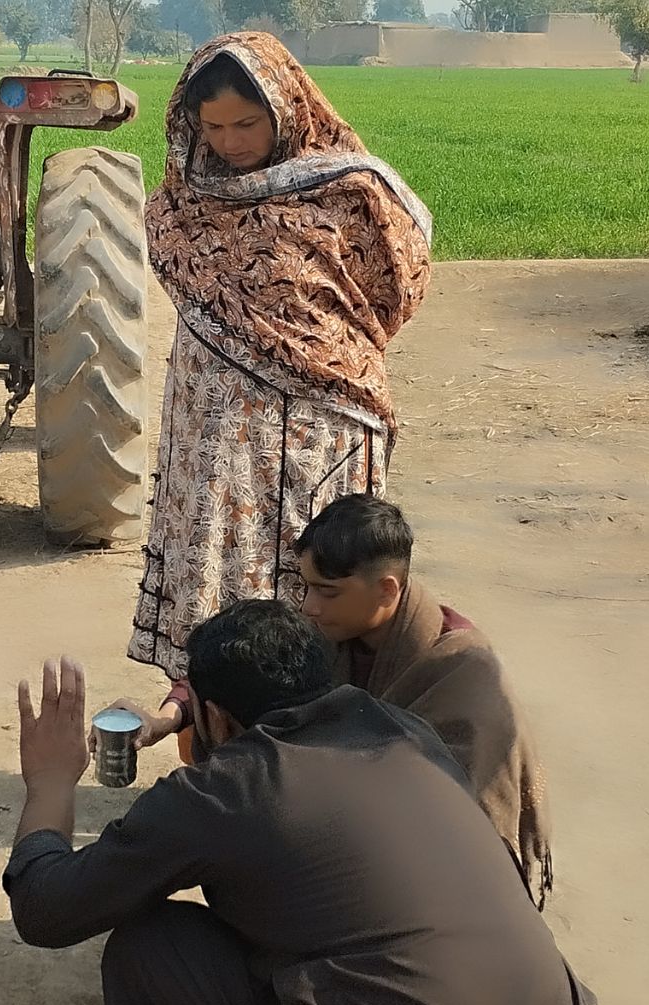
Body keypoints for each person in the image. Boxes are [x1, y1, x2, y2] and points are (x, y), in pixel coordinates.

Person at [6, 603, 597, 1005]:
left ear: (213, 718)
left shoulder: (224, 790)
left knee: (153, 948)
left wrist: (52, 781)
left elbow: (45, 909)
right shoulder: (404, 730)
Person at [129, 33, 432, 702]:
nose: (231, 141)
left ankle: (313, 753)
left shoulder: (350, 192)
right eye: (214, 126)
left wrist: (322, 351)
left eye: (247, 122)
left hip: (318, 435)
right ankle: (219, 742)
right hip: (214, 446)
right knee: (223, 587)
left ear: (285, 108)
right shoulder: (180, 205)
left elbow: (398, 285)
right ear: (190, 123)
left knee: (312, 588)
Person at [294, 494, 554, 908]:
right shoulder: (333, 639)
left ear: (386, 590)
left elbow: (462, 818)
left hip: (451, 886)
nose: (308, 607)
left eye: (327, 592)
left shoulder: (465, 673)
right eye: (305, 587)